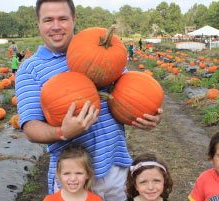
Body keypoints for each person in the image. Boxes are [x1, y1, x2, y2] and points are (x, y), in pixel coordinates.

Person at [15, 1, 162, 200]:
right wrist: (62, 132)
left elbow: (132, 93)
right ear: (39, 23)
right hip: (73, 176)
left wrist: (146, 115)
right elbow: (31, 127)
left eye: (63, 19)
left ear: (74, 20)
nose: (56, 26)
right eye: (48, 20)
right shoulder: (30, 69)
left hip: (116, 168)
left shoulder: (102, 50)